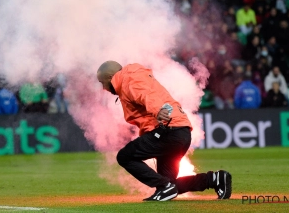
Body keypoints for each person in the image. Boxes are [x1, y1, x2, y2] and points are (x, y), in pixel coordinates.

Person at [96, 61, 232, 202]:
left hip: (167, 131)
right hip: (180, 131)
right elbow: (148, 93)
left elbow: (146, 94)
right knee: (170, 186)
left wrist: (158, 111)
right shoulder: (134, 75)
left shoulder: (127, 79)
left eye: (102, 82)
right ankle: (215, 179)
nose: (104, 88)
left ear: (111, 76)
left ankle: (164, 186)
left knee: (125, 156)